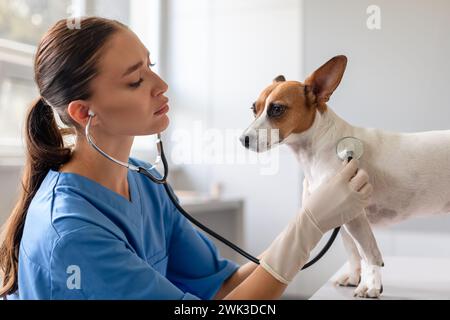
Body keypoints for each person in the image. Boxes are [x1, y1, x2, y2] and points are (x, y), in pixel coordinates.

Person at [0, 17, 372, 300]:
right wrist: (309, 225)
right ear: (84, 113)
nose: (161, 86)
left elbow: (224, 285)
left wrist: (308, 221)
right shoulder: (73, 234)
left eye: (151, 65)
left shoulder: (144, 181)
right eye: (135, 81)